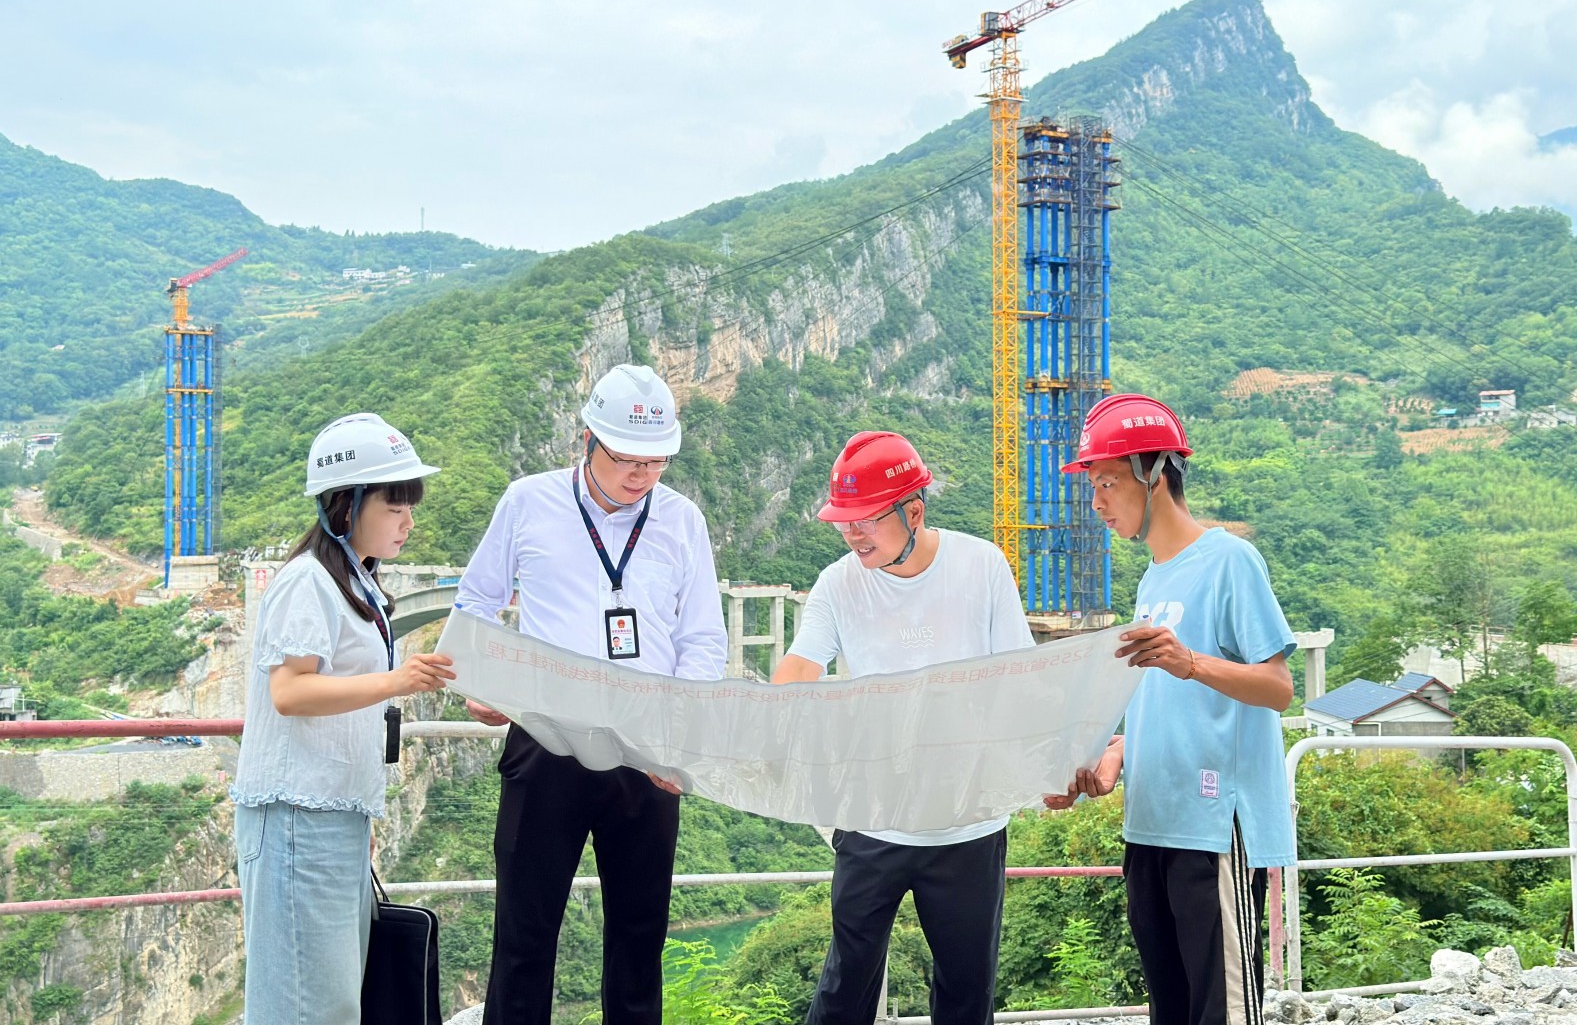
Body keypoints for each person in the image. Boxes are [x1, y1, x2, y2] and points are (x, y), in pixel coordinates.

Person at [456, 363, 727, 1025]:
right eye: (627, 458)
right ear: (587, 441)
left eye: (655, 461)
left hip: (646, 744)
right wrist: (480, 682)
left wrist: (678, 736)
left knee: (639, 934)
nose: (641, 474)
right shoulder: (528, 502)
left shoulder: (681, 520)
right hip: (546, 735)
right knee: (524, 930)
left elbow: (701, 639)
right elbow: (476, 603)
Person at [1045, 393, 1296, 1025]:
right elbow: (1165, 707)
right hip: (1150, 824)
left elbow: (1278, 688)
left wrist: (1192, 662)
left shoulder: (1230, 560)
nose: (1096, 502)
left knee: (1223, 1010)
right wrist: (1114, 756)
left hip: (1211, 827)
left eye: (1107, 482)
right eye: (1091, 486)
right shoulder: (1153, 579)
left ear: (1155, 472)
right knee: (1172, 1009)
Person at [771, 431, 1033, 1025]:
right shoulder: (839, 583)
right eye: (844, 521)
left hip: (967, 821)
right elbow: (800, 666)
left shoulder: (981, 566)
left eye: (866, 519)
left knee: (966, 992)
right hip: (872, 818)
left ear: (913, 511)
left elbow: (1019, 679)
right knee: (845, 988)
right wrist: (771, 714)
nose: (852, 534)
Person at [231, 413, 456, 1025]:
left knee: (332, 1000)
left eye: (410, 506)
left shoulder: (354, 579)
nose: (408, 521)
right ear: (345, 504)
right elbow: (290, 692)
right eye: (394, 506)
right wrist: (399, 680)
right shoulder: (307, 580)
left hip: (331, 814)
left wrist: (358, 813)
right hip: (296, 816)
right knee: (304, 1005)